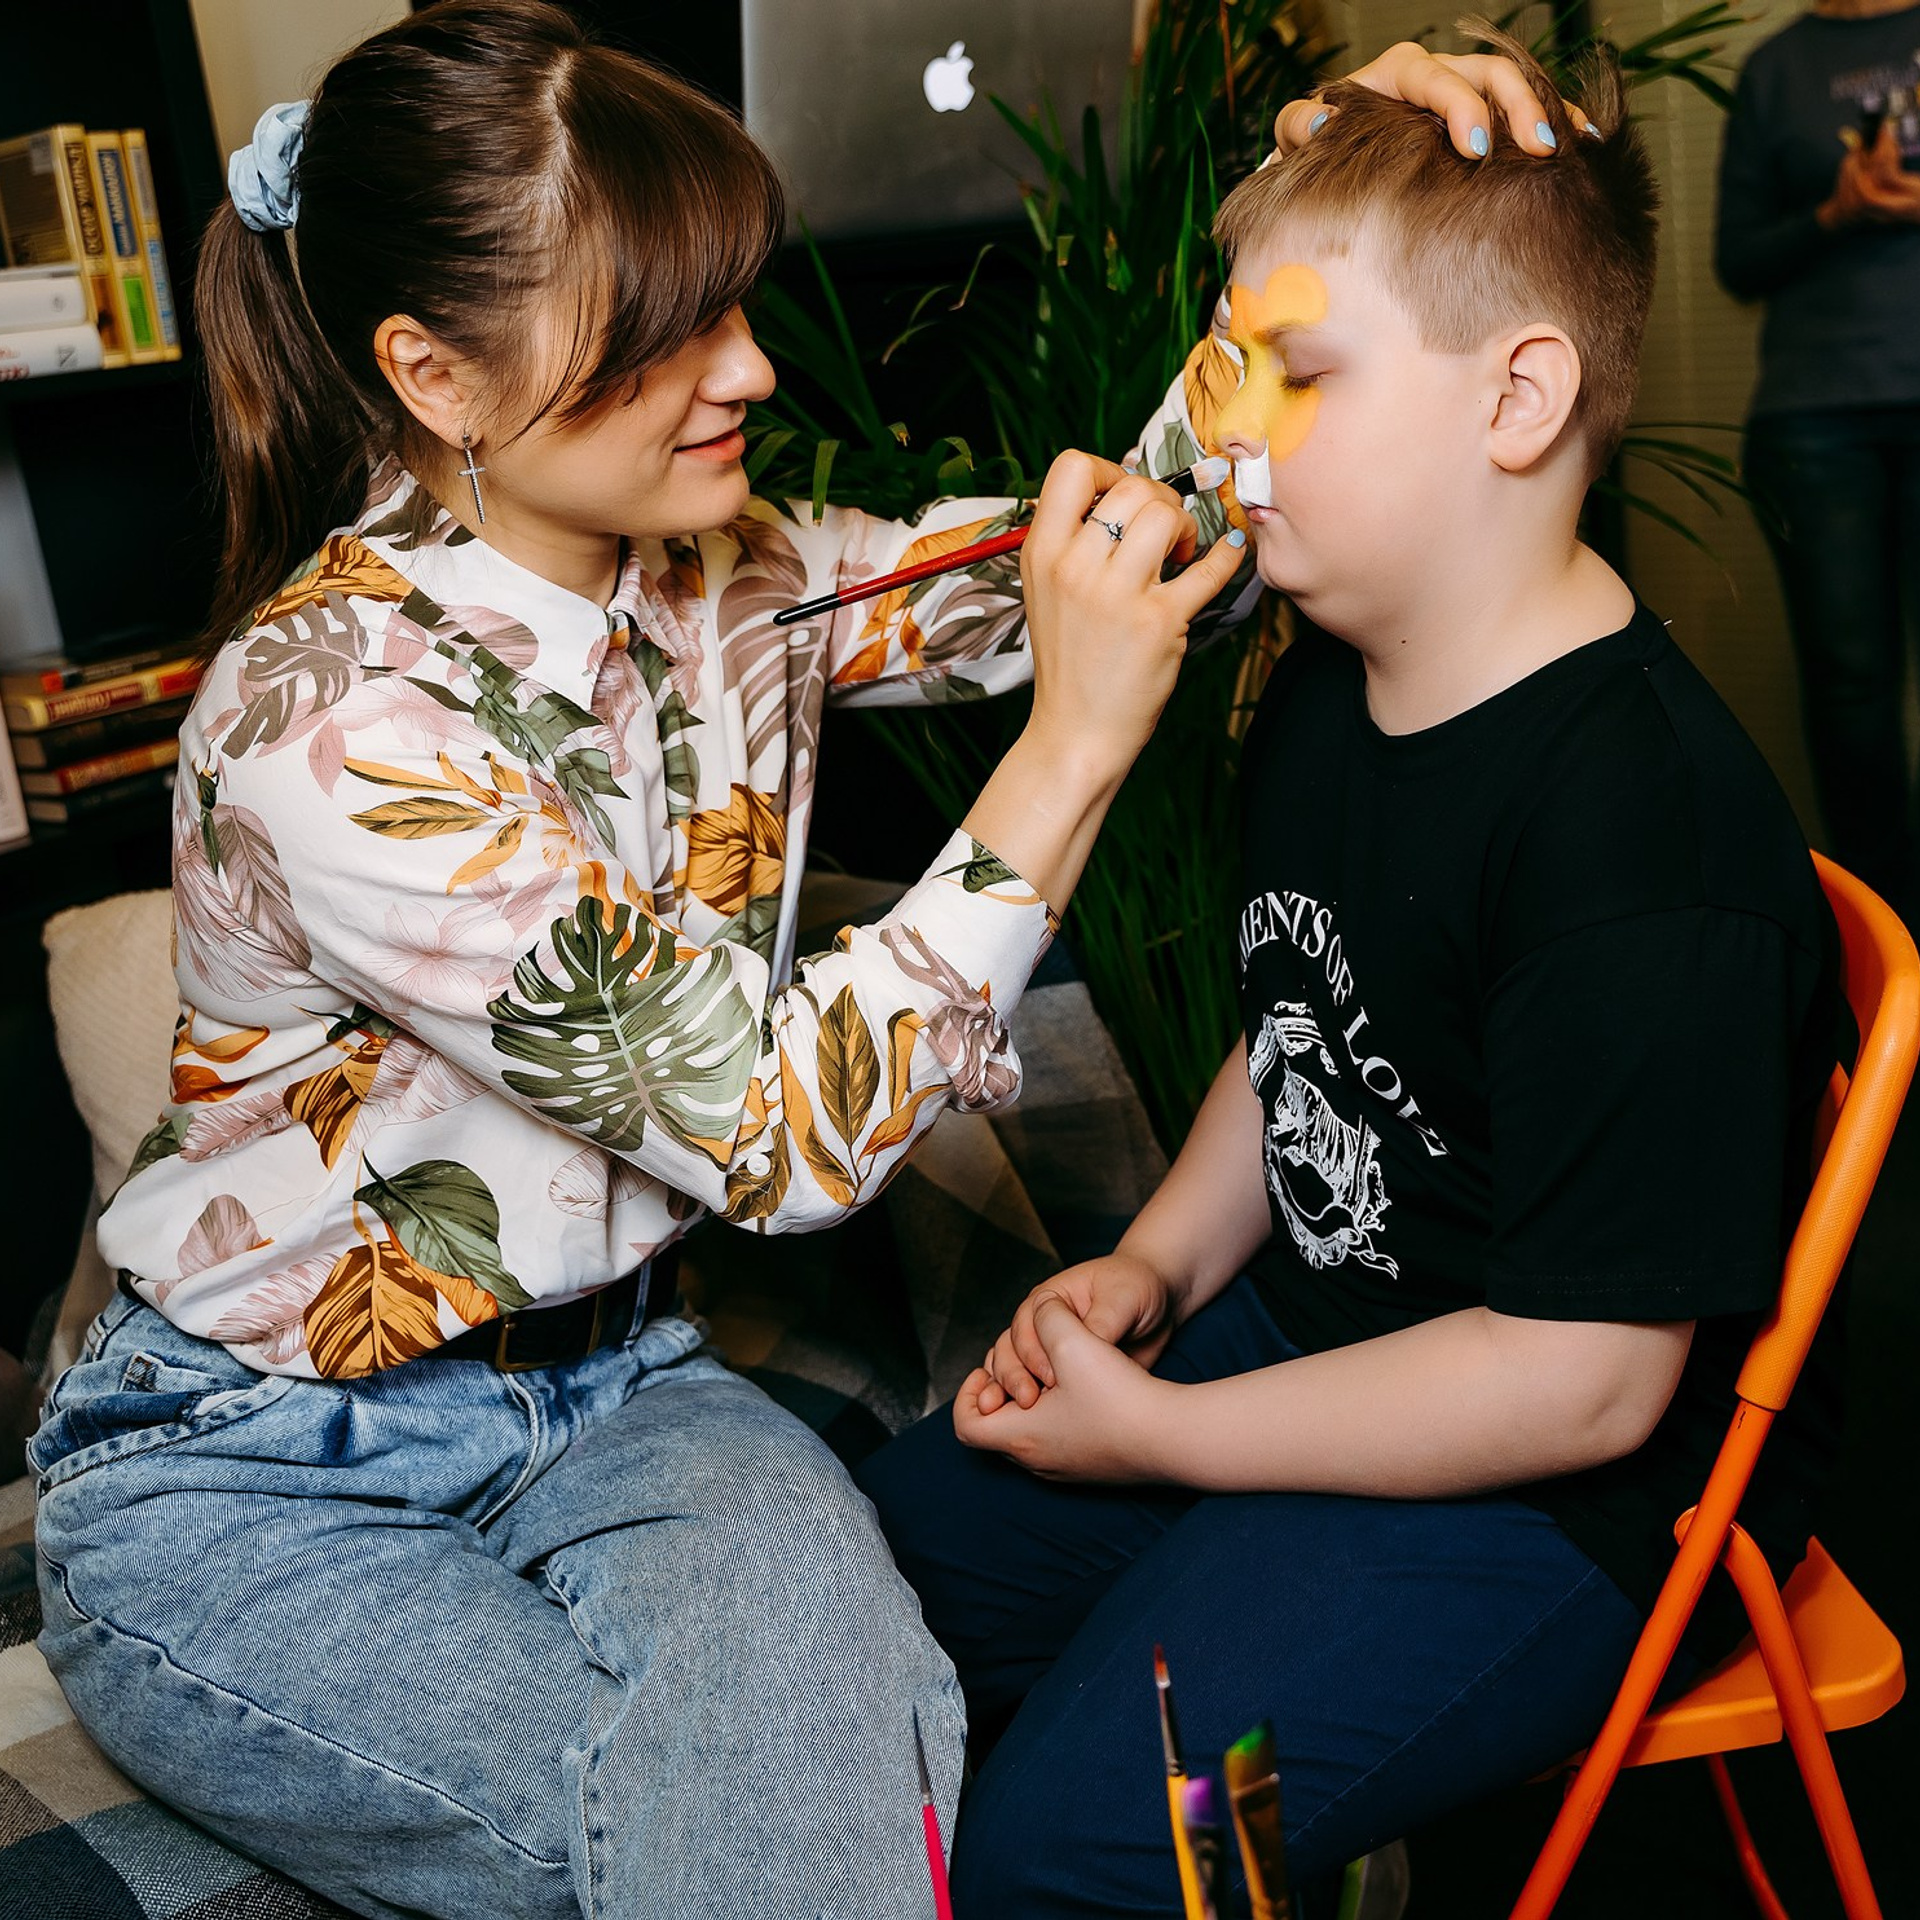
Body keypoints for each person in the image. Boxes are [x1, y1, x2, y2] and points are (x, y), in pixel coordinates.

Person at [24, 4, 1567, 1914]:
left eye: (735, 299)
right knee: (729, 1856)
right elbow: (776, 1131)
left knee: (842, 1785)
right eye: (662, 331)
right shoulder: (328, 725)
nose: (749, 365)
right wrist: (1069, 751)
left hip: (621, 1390)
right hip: (256, 1471)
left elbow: (1109, 555)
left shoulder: (735, 575)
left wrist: (1328, 233)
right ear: (431, 371)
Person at [859, 28, 1847, 1917]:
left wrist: (1165, 1437)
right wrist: (1154, 1261)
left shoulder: (1639, 839)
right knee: (888, 1573)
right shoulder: (1327, 678)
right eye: (1232, 371)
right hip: (1330, 1344)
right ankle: (1213, 1770)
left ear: (1517, 396)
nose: (1227, 434)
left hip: (1554, 1494)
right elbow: (1299, 1030)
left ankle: (1211, 1810)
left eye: (1297, 372)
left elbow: (1583, 1388)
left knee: (1083, 1845)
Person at [1716, 0, 1920, 925]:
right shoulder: (1773, 70)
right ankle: (1892, 960)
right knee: (1851, 695)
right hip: (1815, 423)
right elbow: (1737, 260)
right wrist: (1834, 211)